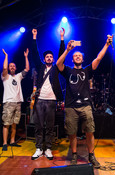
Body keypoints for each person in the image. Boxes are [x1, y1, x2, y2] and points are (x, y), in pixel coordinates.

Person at [56, 35, 113, 168]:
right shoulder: (68, 70)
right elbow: (58, 64)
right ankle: (74, 155)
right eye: (75, 55)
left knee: (90, 131)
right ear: (72, 58)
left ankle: (91, 155)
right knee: (72, 132)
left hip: (86, 106)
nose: (77, 57)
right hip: (71, 106)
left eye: (79, 55)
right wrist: (68, 49)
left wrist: (106, 44)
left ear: (83, 58)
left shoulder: (87, 70)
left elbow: (98, 58)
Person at [31, 28, 65, 160]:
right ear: (44, 59)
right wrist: (34, 37)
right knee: (39, 126)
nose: (49, 58)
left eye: (51, 56)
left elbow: (62, 53)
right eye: (47, 57)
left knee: (50, 126)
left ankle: (48, 148)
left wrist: (62, 37)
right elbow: (35, 53)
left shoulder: (56, 68)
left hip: (51, 101)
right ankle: (39, 148)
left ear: (53, 58)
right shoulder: (40, 67)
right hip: (39, 100)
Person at [1, 48, 29, 151]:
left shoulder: (18, 77)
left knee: (14, 123)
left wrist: (26, 57)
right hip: (8, 102)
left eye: (13, 66)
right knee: (6, 123)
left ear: (16, 68)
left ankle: (12, 141)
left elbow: (27, 69)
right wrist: (6, 56)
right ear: (9, 68)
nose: (12, 67)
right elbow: (4, 68)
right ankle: (5, 143)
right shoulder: (5, 76)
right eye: (10, 66)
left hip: (18, 103)